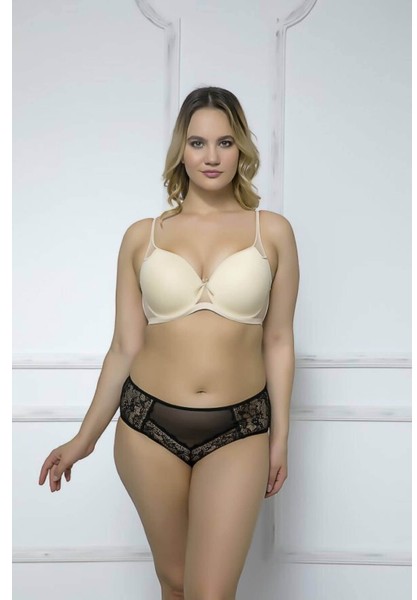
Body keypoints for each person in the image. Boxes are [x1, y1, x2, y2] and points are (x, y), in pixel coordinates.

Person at [39, 86, 300, 600]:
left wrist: (281, 438)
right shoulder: (143, 236)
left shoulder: (272, 232)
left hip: (241, 427)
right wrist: (84, 438)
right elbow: (124, 347)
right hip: (147, 428)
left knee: (211, 592)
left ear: (242, 149)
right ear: (181, 149)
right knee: (176, 583)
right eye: (198, 143)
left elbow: (278, 340)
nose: (211, 156)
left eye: (225, 142)